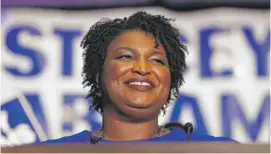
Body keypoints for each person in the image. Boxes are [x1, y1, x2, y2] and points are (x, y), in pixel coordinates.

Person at [43, 11, 233, 143]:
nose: (142, 69)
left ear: (171, 80)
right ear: (98, 74)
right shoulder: (53, 152)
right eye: (126, 56)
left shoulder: (218, 151)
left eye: (157, 60)